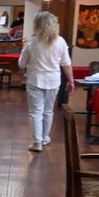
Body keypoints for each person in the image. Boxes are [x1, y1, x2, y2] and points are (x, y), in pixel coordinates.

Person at [19, 11, 73, 152]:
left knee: (36, 112)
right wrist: (71, 80)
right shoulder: (60, 41)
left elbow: (21, 64)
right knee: (48, 111)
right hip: (54, 80)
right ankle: (44, 138)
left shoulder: (32, 42)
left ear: (37, 25)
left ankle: (37, 143)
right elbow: (66, 63)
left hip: (35, 79)